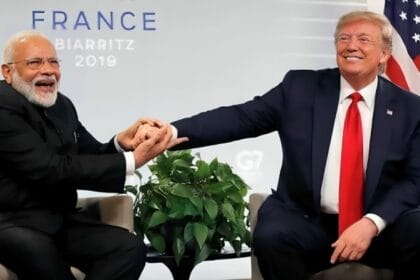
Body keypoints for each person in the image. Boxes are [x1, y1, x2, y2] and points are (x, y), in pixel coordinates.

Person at [140, 10, 420, 280]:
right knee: (272, 235)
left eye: (363, 39)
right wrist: (170, 132)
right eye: (343, 39)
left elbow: (414, 180)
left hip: (379, 227)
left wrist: (371, 223)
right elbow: (239, 117)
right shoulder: (300, 88)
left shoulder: (411, 109)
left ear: (384, 54)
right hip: (309, 223)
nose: (350, 46)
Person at [0, 30, 185, 280]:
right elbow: (49, 168)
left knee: (128, 248)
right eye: (35, 62)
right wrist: (132, 161)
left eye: (53, 62)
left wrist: (121, 143)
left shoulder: (61, 105)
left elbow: (90, 154)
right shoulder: (3, 106)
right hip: (10, 223)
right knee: (47, 262)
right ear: (7, 72)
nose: (48, 70)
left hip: (57, 221)